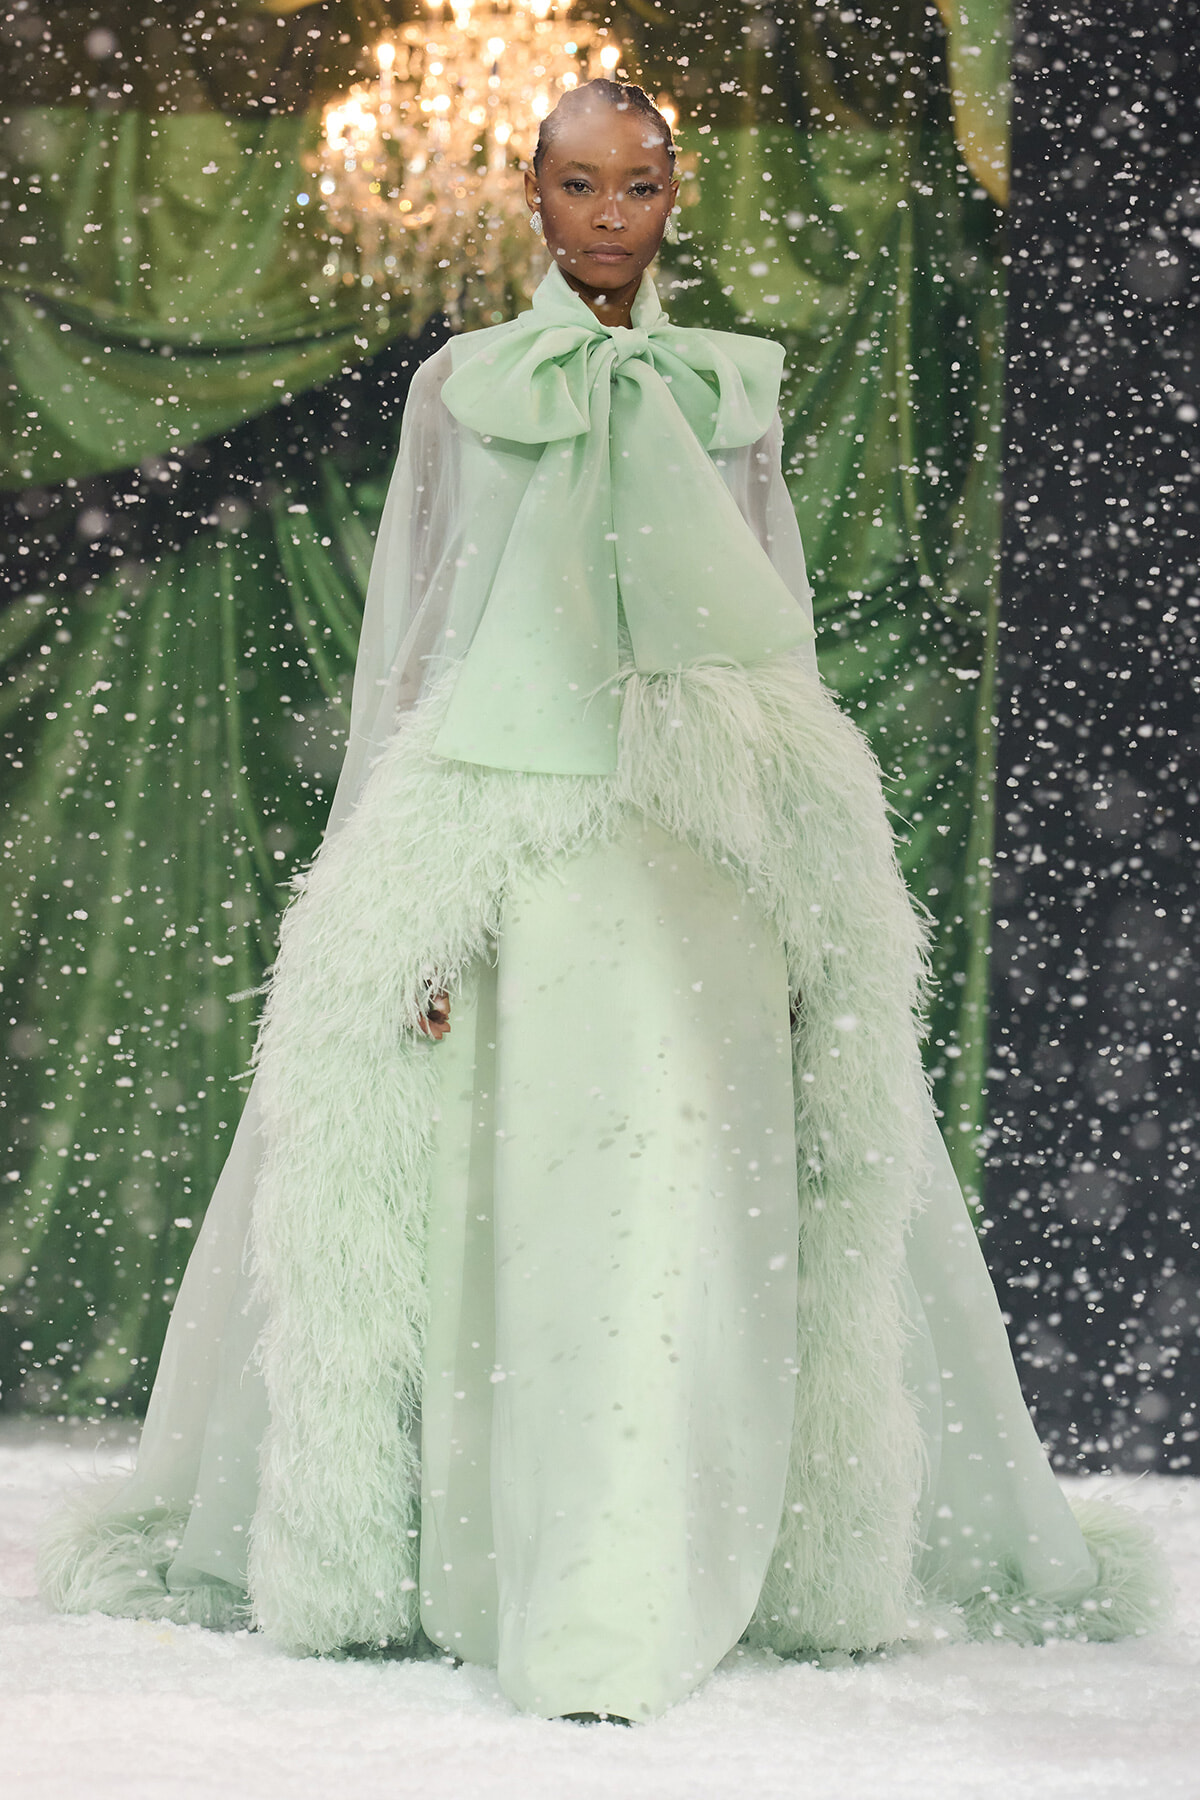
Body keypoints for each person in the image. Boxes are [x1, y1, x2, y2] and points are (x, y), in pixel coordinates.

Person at [41, 80, 1165, 1723]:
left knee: (685, 1211)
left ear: (674, 192)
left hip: (696, 851)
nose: (611, 217)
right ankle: (530, 1563)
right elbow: (417, 634)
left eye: (639, 185)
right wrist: (394, 899)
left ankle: (653, 1567)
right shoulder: (462, 390)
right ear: (533, 192)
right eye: (581, 185)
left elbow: (774, 632)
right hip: (518, 845)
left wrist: (801, 867)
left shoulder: (728, 389)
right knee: (525, 1210)